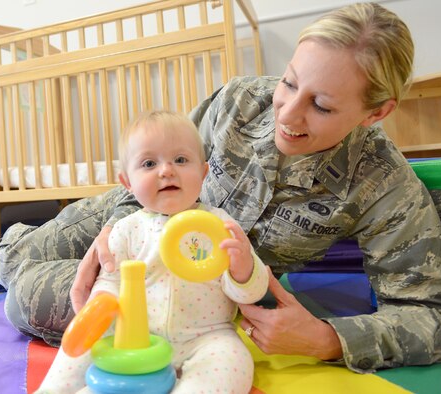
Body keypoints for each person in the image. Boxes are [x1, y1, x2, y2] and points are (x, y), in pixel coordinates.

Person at [0, 2, 441, 376]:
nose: (286, 114)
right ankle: (10, 242)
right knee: (8, 263)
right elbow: (161, 163)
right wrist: (116, 234)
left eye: (321, 106)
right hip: (130, 216)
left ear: (375, 113)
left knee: (24, 298)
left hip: (195, 293)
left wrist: (326, 339)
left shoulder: (381, 179)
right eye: (289, 83)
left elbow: (438, 321)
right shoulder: (240, 100)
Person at [35, 110, 269, 393]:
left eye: (181, 160)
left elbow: (251, 293)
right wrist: (98, 308)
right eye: (149, 163)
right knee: (77, 349)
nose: (167, 170)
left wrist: (243, 269)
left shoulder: (219, 225)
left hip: (205, 337)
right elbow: (109, 282)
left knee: (234, 359)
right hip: (135, 337)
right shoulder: (126, 229)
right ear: (127, 183)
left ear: (203, 172)